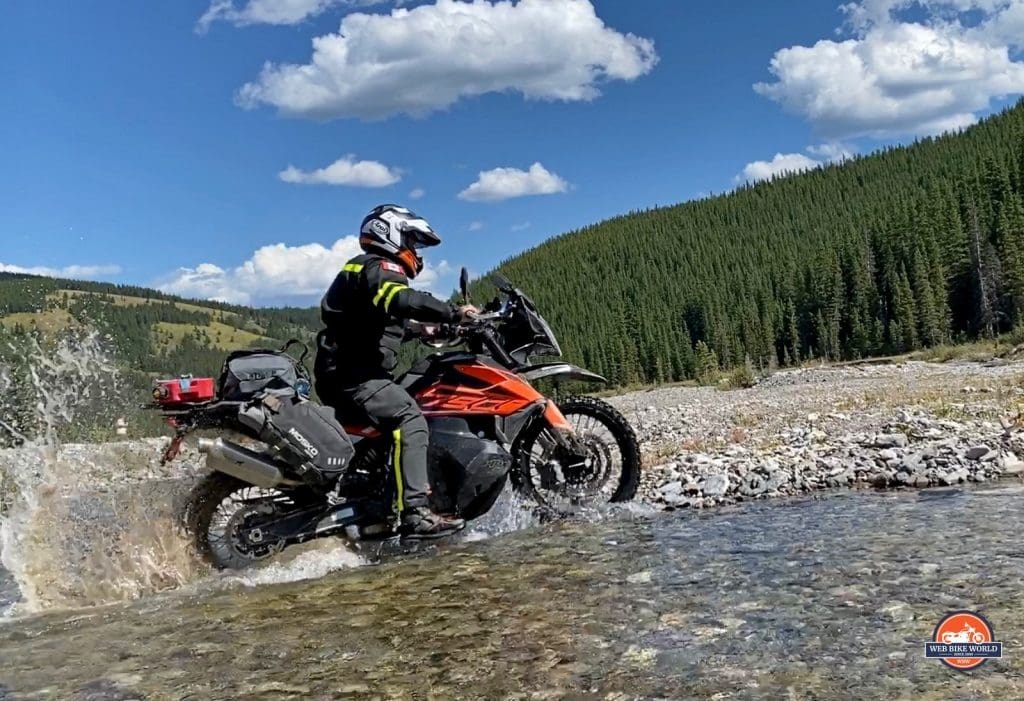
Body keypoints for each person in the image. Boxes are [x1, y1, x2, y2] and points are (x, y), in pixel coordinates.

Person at [314, 204, 477, 539]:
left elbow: (379, 324)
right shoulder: (377, 266)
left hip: (348, 373)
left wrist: (426, 331)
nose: (415, 251)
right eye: (412, 241)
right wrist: (453, 313)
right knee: (409, 418)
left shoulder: (367, 271)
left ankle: (378, 505)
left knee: (409, 403)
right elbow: (400, 300)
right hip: (354, 377)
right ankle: (415, 513)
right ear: (391, 233)